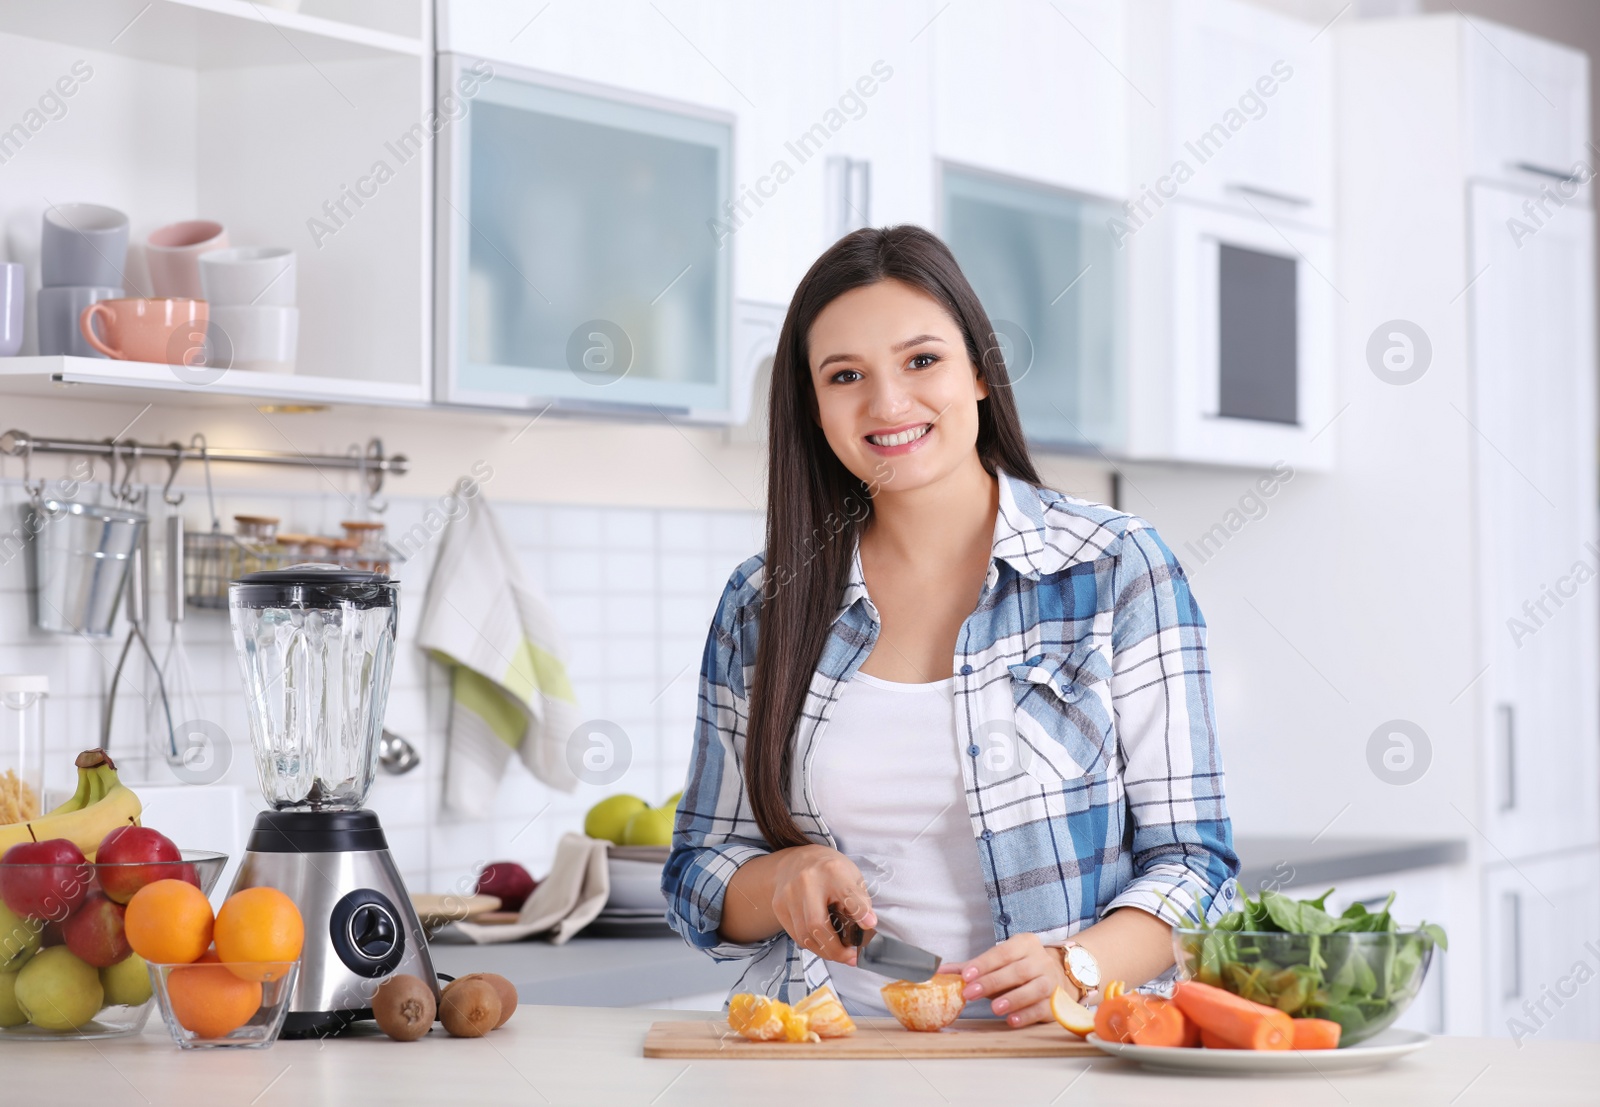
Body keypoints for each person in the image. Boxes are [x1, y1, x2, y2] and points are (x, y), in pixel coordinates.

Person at [662, 224, 1239, 1027]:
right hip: (832, 1060)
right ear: (814, 405)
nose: (888, 402)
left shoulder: (1116, 569)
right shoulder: (763, 602)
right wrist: (784, 879)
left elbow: (1197, 865)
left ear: (978, 370)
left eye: (921, 360)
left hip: (1069, 1058)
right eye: (845, 375)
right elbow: (700, 872)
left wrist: (1076, 965)